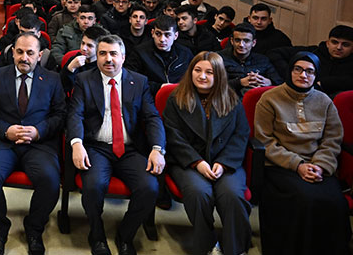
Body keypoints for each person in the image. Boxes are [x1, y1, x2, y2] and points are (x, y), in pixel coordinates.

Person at [67, 35, 166, 255]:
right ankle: (97, 235)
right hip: (97, 147)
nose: (108, 59)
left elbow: (152, 117)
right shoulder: (84, 80)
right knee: (93, 187)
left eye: (113, 54)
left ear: (123, 56)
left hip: (130, 149)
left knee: (150, 188)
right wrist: (76, 143)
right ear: (96, 56)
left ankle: (126, 234)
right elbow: (75, 114)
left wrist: (157, 149)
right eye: (102, 53)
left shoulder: (139, 81)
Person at [0, 33, 66, 255]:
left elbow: (60, 115)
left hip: (38, 144)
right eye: (19, 52)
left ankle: (34, 228)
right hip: (4, 143)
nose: (24, 57)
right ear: (13, 52)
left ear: (39, 55)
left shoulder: (53, 79)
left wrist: (38, 131)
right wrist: (5, 130)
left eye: (30, 53)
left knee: (50, 179)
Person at [254, 52, 351, 255]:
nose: (303, 75)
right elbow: (265, 141)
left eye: (309, 71)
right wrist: (298, 165)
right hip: (282, 165)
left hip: (317, 164)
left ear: (316, 75)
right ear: (290, 71)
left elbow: (332, 139)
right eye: (298, 69)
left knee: (336, 202)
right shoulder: (270, 99)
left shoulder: (324, 101)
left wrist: (320, 165)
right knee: (305, 199)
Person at [163, 51, 251, 255]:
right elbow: (173, 137)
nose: (202, 76)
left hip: (225, 162)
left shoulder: (232, 99)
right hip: (189, 162)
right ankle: (208, 245)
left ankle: (235, 248)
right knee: (199, 193)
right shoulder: (176, 98)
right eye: (197, 70)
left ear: (218, 75)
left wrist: (224, 163)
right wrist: (197, 162)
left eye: (209, 72)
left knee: (232, 194)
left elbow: (241, 135)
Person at [267, 24, 353, 98]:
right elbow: (274, 53)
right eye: (334, 42)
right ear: (327, 43)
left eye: (345, 45)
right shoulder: (314, 52)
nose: (339, 47)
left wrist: (324, 83)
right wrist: (290, 73)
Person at [127, 15, 193, 95]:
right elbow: (131, 80)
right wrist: (159, 87)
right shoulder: (139, 52)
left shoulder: (185, 53)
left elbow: (192, 78)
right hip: (150, 96)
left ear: (175, 36)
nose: (162, 39)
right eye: (158, 34)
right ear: (152, 33)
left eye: (167, 35)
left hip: (180, 95)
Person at [219, 23, 282, 95]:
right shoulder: (219, 58)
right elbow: (213, 85)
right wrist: (239, 82)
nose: (241, 45)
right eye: (237, 40)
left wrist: (269, 82)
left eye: (246, 41)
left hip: (257, 97)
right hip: (228, 97)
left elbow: (279, 83)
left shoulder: (263, 60)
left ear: (253, 43)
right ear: (232, 41)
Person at [60, 26, 107, 92]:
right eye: (83, 43)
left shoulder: (104, 65)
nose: (83, 48)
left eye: (89, 46)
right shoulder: (74, 60)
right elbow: (61, 88)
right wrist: (70, 68)